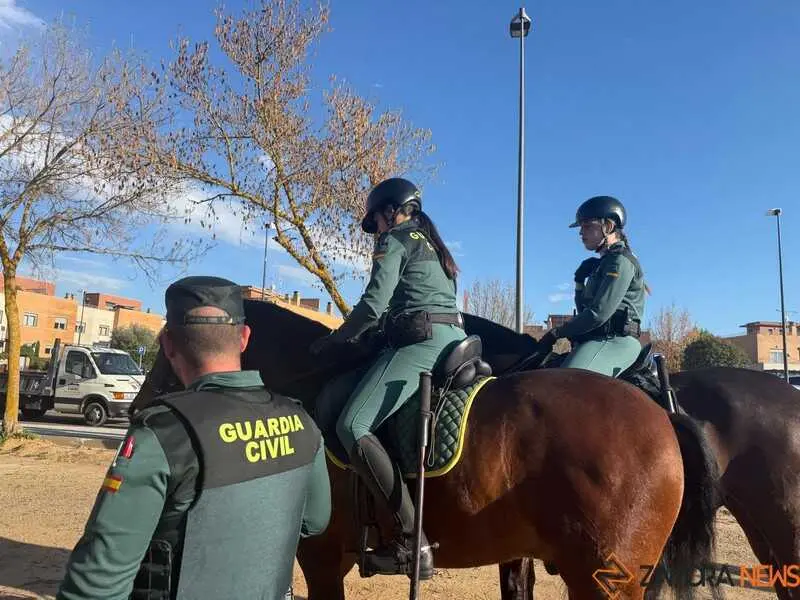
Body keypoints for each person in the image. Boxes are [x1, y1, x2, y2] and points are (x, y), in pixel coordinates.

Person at [57, 276, 331, 600]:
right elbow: (314, 521)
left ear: (168, 344)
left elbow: (95, 587)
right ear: (244, 338)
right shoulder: (302, 422)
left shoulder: (162, 434)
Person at [309, 177, 466, 579]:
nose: (375, 230)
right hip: (452, 338)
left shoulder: (394, 239)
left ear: (390, 212)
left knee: (352, 424)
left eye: (376, 221)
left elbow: (375, 303)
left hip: (422, 344)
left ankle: (413, 539)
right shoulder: (433, 244)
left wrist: (338, 337)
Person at [535, 195, 647, 377]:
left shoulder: (619, 261)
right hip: (596, 340)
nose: (581, 233)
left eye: (587, 226)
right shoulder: (603, 264)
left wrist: (557, 332)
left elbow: (598, 313)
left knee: (564, 381)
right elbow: (585, 312)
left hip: (616, 341)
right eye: (581, 227)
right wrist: (579, 283)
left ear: (608, 226)